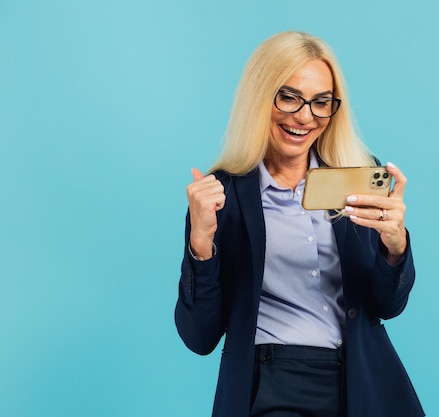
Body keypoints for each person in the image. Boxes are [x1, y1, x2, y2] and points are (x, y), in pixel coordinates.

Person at [175, 31, 425, 417]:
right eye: (289, 97)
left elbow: (387, 306)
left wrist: (395, 248)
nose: (305, 116)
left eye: (320, 103)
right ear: (260, 97)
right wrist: (202, 247)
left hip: (361, 382)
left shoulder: (355, 182)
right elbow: (200, 337)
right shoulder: (221, 197)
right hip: (271, 383)